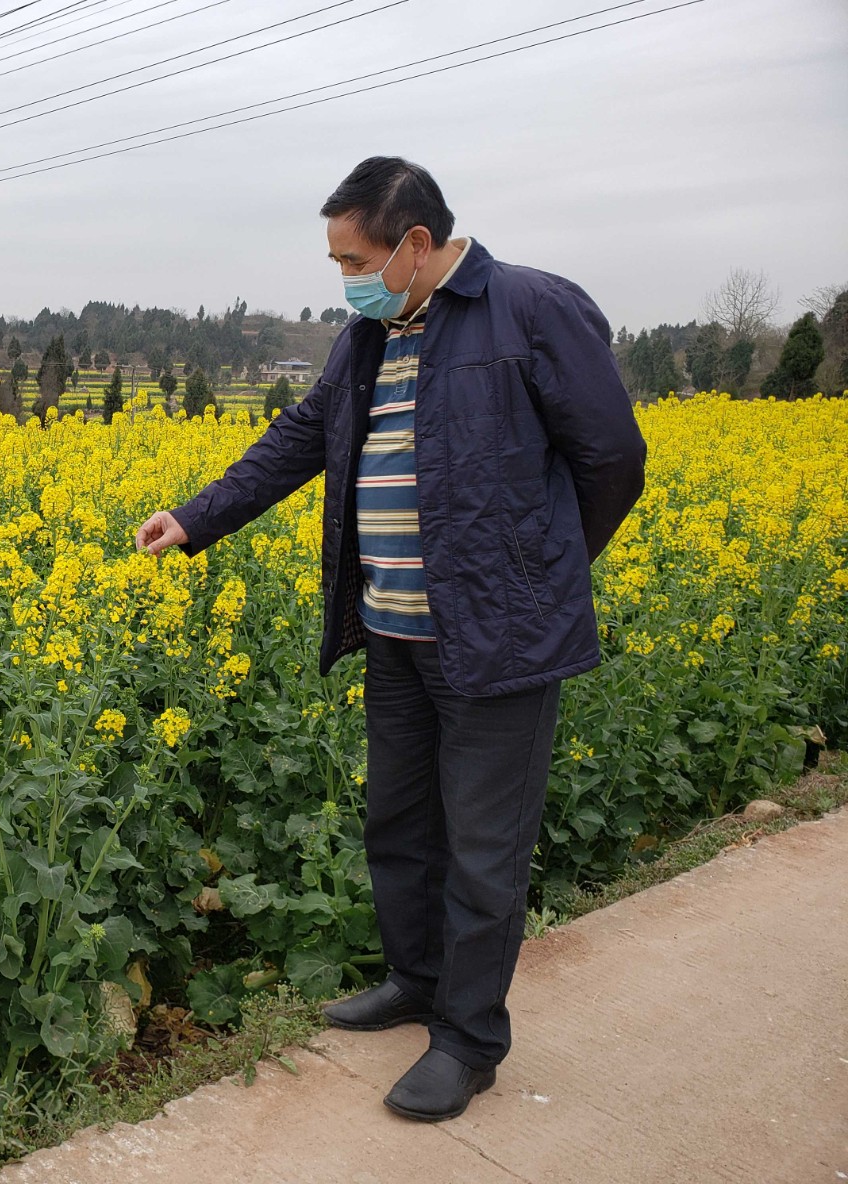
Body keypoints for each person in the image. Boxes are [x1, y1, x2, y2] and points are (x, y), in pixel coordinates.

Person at [135, 156, 646, 1123]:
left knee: (485, 852)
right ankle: (417, 980)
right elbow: (301, 436)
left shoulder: (532, 308)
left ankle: (468, 1042)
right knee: (400, 827)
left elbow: (613, 459)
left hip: (498, 643)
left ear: (414, 243)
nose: (345, 280)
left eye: (353, 260)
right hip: (393, 633)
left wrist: (541, 575)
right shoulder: (370, 334)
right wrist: (196, 517)